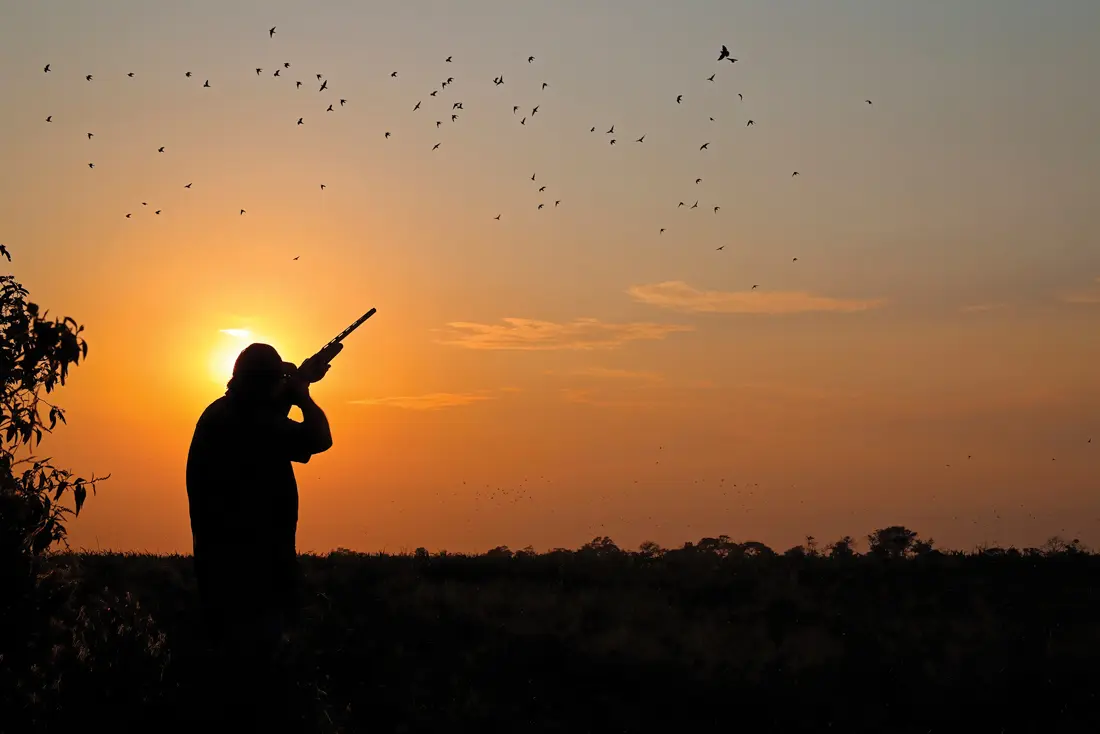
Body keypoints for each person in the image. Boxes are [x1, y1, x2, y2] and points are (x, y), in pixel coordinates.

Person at [185, 341, 338, 725]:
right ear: (265, 384)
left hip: (223, 566)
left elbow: (265, 419)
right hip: (256, 570)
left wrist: (297, 383)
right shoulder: (250, 422)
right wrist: (302, 395)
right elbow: (319, 438)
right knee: (258, 679)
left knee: (233, 670)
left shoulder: (220, 413)